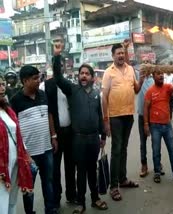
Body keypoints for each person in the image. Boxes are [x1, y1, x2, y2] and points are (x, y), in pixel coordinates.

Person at [52, 42, 107, 213]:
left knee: (93, 170)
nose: (83, 76)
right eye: (81, 73)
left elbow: (99, 116)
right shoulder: (72, 90)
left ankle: (95, 198)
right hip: (78, 139)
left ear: (92, 77)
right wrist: (57, 56)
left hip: (93, 139)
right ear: (78, 76)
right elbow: (58, 78)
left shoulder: (97, 93)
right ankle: (81, 203)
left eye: (87, 74)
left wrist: (103, 136)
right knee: (81, 172)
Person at [10, 66, 57, 214]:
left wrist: (54, 136)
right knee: (28, 187)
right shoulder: (15, 101)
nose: (39, 81)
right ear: (25, 81)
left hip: (47, 148)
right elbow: (13, 126)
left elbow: (49, 115)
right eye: (35, 78)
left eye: (39, 77)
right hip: (29, 154)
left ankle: (50, 209)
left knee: (48, 181)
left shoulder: (43, 95)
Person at [102, 43, 143, 201]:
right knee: (117, 150)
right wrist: (105, 120)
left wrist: (143, 78)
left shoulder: (130, 69)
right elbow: (104, 98)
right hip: (115, 116)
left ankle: (123, 179)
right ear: (113, 56)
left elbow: (136, 90)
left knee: (124, 148)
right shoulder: (108, 72)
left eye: (122, 53)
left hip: (128, 115)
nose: (120, 56)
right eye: (118, 53)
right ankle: (113, 186)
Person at [40, 50, 77, 209]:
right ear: (52, 66)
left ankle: (71, 195)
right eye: (58, 64)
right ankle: (56, 198)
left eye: (62, 65)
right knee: (54, 170)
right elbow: (45, 112)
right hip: (55, 134)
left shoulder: (69, 84)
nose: (60, 67)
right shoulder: (45, 85)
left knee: (70, 166)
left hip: (70, 132)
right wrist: (52, 134)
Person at [144, 68, 173, 184]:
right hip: (155, 126)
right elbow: (146, 108)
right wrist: (146, 124)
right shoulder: (150, 91)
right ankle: (157, 172)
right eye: (158, 73)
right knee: (156, 151)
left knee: (172, 150)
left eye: (162, 73)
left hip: (167, 125)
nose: (161, 76)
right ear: (153, 76)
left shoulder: (168, 87)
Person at [0, 75, 33, 214]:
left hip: (15, 162)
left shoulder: (7, 110)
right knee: (2, 200)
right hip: (2, 168)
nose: (2, 88)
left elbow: (17, 134)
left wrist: (26, 154)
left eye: (3, 84)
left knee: (12, 201)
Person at [137, 70, 154, 177]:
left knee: (155, 141)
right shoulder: (138, 78)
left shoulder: (153, 80)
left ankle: (158, 164)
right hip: (142, 116)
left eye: (148, 62)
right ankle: (144, 165)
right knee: (143, 143)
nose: (146, 64)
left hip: (153, 116)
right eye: (144, 62)